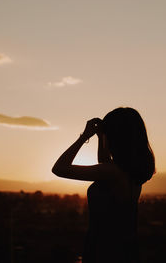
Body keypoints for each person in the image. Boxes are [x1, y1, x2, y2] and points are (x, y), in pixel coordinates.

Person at [52, 107, 155, 263]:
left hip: (104, 249)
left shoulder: (112, 172)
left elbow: (59, 169)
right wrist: (101, 137)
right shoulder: (131, 171)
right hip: (124, 248)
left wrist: (84, 137)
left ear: (115, 137)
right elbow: (104, 163)